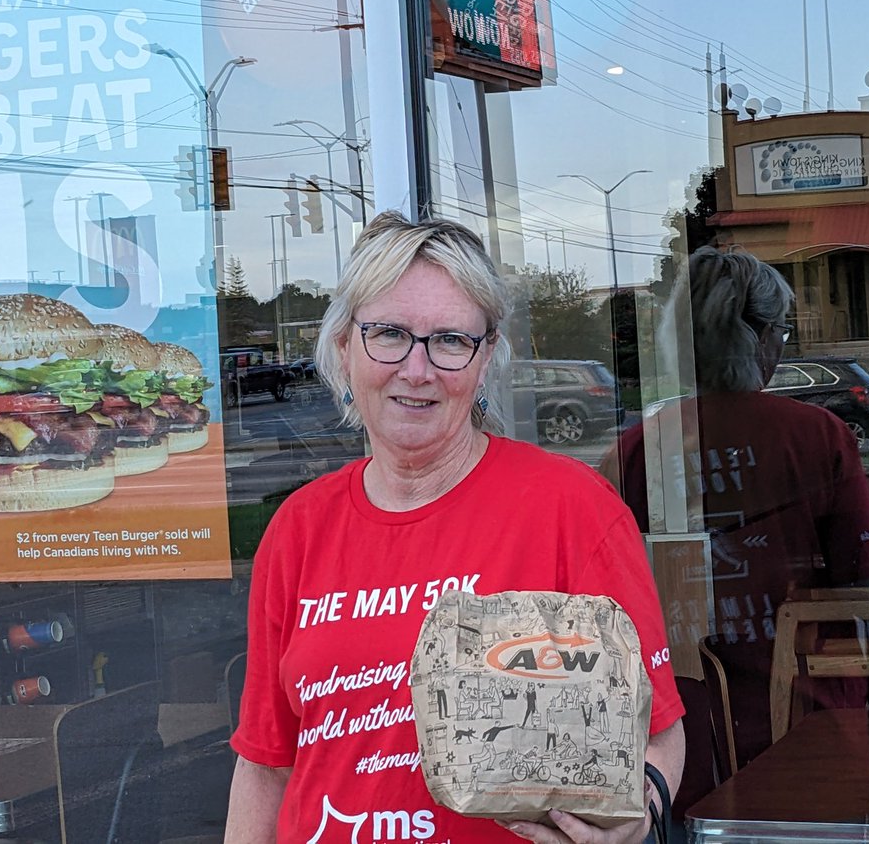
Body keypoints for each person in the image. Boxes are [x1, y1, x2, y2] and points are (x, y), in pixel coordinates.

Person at [226, 212, 685, 844]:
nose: (416, 370)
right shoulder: (298, 529)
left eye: (449, 340)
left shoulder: (572, 509)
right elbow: (264, 767)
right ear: (343, 346)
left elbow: (658, 730)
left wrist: (640, 813)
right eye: (387, 333)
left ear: (486, 354)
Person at [606, 245, 869, 767]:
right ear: (758, 337)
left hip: (681, 737)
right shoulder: (816, 434)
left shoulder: (635, 452)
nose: (781, 347)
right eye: (781, 331)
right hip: (810, 725)